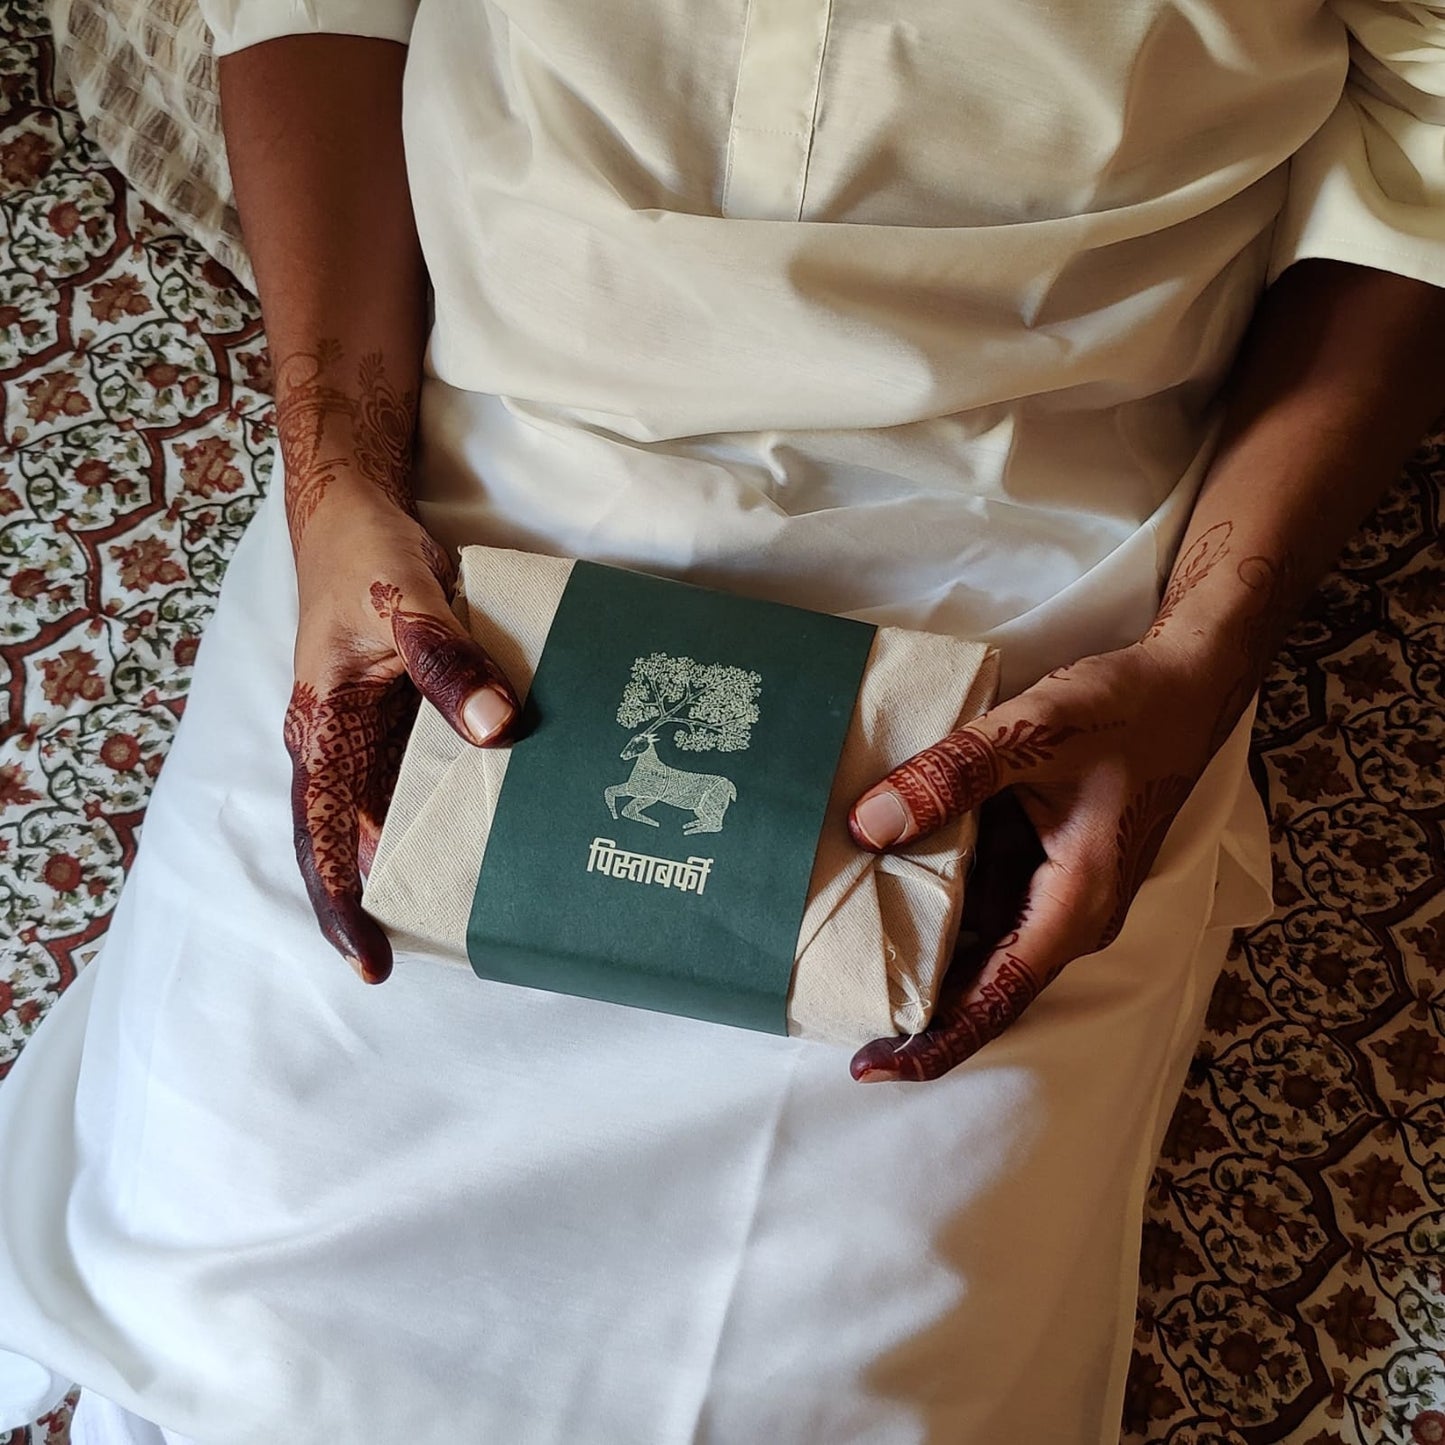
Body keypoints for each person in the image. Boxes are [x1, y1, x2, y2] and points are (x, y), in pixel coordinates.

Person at [2, 2, 1442, 1441]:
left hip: (1027, 620)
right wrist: (334, 493)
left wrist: (1199, 653)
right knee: (227, 1320)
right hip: (446, 529)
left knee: (833, 1403)